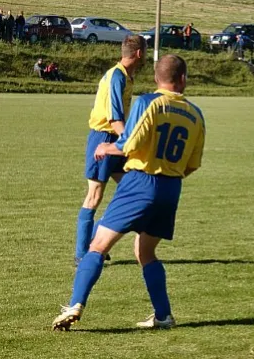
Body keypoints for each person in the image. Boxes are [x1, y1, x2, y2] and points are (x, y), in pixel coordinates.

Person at [52, 54, 206, 331]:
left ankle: (75, 303)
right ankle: (163, 316)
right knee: (145, 252)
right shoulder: (196, 114)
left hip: (140, 183)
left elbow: (128, 143)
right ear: (183, 79)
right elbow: (192, 164)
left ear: (157, 78)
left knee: (98, 245)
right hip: (171, 189)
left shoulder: (148, 102)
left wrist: (106, 148)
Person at [73, 35, 147, 267]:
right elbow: (115, 118)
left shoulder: (125, 76)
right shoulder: (117, 76)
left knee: (133, 190)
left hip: (116, 139)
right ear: (139, 53)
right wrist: (130, 143)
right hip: (104, 138)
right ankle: (82, 253)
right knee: (94, 196)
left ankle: (96, 241)